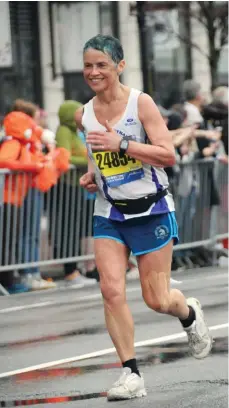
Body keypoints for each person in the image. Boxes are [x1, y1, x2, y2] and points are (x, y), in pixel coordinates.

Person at [76, 35, 212, 401]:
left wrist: (123, 145)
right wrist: (92, 175)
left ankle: (187, 312)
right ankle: (130, 374)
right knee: (111, 289)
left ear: (120, 66)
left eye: (101, 64)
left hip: (151, 209)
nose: (93, 72)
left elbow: (168, 155)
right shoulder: (84, 113)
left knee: (157, 299)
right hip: (110, 212)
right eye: (88, 65)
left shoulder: (141, 104)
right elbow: (96, 155)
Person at [54, 100, 97, 286]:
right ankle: (70, 272)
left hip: (74, 186)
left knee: (75, 228)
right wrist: (88, 159)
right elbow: (64, 157)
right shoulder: (64, 131)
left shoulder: (75, 132)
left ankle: (76, 269)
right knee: (68, 228)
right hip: (65, 186)